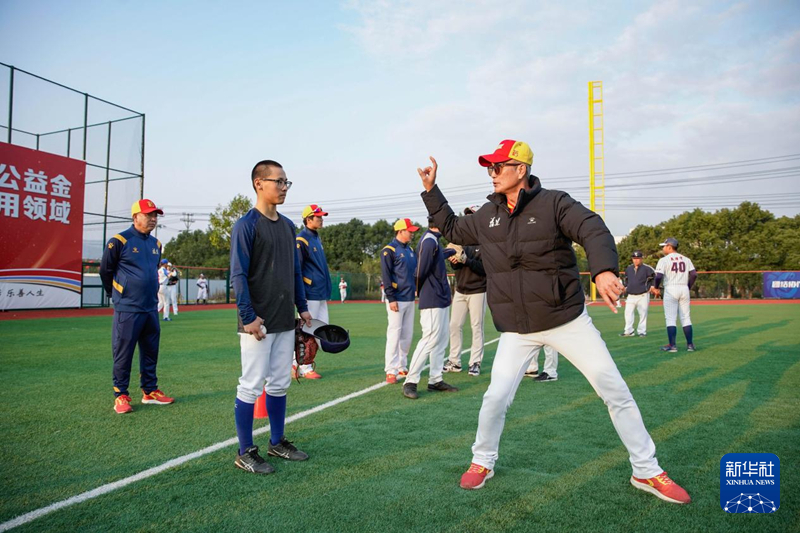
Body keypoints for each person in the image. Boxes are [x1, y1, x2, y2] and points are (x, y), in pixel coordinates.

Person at [417, 139, 690, 504]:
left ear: (521, 170)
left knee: (615, 390)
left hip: (565, 319)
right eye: (490, 167)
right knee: (495, 398)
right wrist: (432, 189)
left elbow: (592, 228)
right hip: (516, 328)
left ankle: (647, 470)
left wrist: (605, 270)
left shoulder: (555, 203)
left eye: (499, 166)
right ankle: (482, 461)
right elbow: (451, 226)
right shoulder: (487, 214)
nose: (492, 173)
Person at [230, 159, 313, 475]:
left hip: (283, 318)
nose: (283, 187)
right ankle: (244, 451)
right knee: (251, 385)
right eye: (277, 181)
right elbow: (238, 274)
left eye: (286, 182)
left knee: (279, 384)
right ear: (258, 184)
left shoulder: (289, 226)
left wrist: (302, 307)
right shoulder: (246, 225)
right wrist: (248, 316)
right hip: (257, 323)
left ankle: (276, 442)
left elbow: (294, 271)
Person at [100, 199, 174, 414]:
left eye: (155, 215)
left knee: (151, 352)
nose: (153, 219)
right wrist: (115, 294)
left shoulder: (156, 244)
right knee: (123, 353)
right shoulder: (119, 241)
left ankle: (150, 392)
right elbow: (106, 271)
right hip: (128, 308)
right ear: (135, 217)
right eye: (149, 214)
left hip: (150, 307)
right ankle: (120, 394)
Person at [402, 216, 458, 399]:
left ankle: (435, 379)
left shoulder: (433, 241)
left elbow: (434, 259)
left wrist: (448, 252)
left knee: (441, 339)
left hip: (440, 297)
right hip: (432, 297)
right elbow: (420, 270)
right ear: (440, 224)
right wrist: (419, 291)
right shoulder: (428, 241)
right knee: (429, 339)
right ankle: (410, 381)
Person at [443, 207, 487, 377]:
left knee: (476, 327)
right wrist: (453, 260)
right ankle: (454, 360)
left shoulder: (485, 241)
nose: (469, 219)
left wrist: (466, 260)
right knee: (454, 325)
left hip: (478, 290)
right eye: (467, 216)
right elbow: (456, 266)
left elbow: (485, 269)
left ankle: (475, 362)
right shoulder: (460, 240)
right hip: (461, 290)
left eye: (472, 216)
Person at [295, 204, 331, 380]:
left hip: (320, 292)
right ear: (308, 219)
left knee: (321, 330)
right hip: (310, 293)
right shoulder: (301, 240)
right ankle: (304, 366)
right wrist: (300, 297)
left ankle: (295, 365)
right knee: (308, 331)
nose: (321, 219)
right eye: (318, 216)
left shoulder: (316, 238)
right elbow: (297, 271)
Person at [381, 218, 419, 383]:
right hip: (396, 299)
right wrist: (391, 298)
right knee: (394, 334)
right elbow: (386, 276)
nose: (412, 233)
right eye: (409, 230)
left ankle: (402, 365)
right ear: (401, 231)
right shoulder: (389, 250)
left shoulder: (410, 250)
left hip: (410, 298)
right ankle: (390, 369)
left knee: (407, 334)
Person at [653, 238, 697, 352]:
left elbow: (658, 276)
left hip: (671, 288)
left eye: (664, 246)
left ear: (669, 246)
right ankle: (690, 345)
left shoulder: (664, 260)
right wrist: (688, 286)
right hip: (683, 288)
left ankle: (672, 346)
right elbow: (693, 274)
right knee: (686, 317)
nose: (663, 248)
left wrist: (656, 287)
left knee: (670, 318)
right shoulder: (686, 259)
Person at [619, 251, 656, 338]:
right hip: (631, 295)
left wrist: (653, 286)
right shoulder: (628, 269)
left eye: (638, 258)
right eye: (634, 258)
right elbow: (627, 279)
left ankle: (642, 331)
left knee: (642, 314)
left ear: (641, 259)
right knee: (628, 313)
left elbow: (655, 277)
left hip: (643, 294)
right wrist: (625, 287)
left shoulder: (647, 268)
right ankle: (628, 331)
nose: (636, 260)